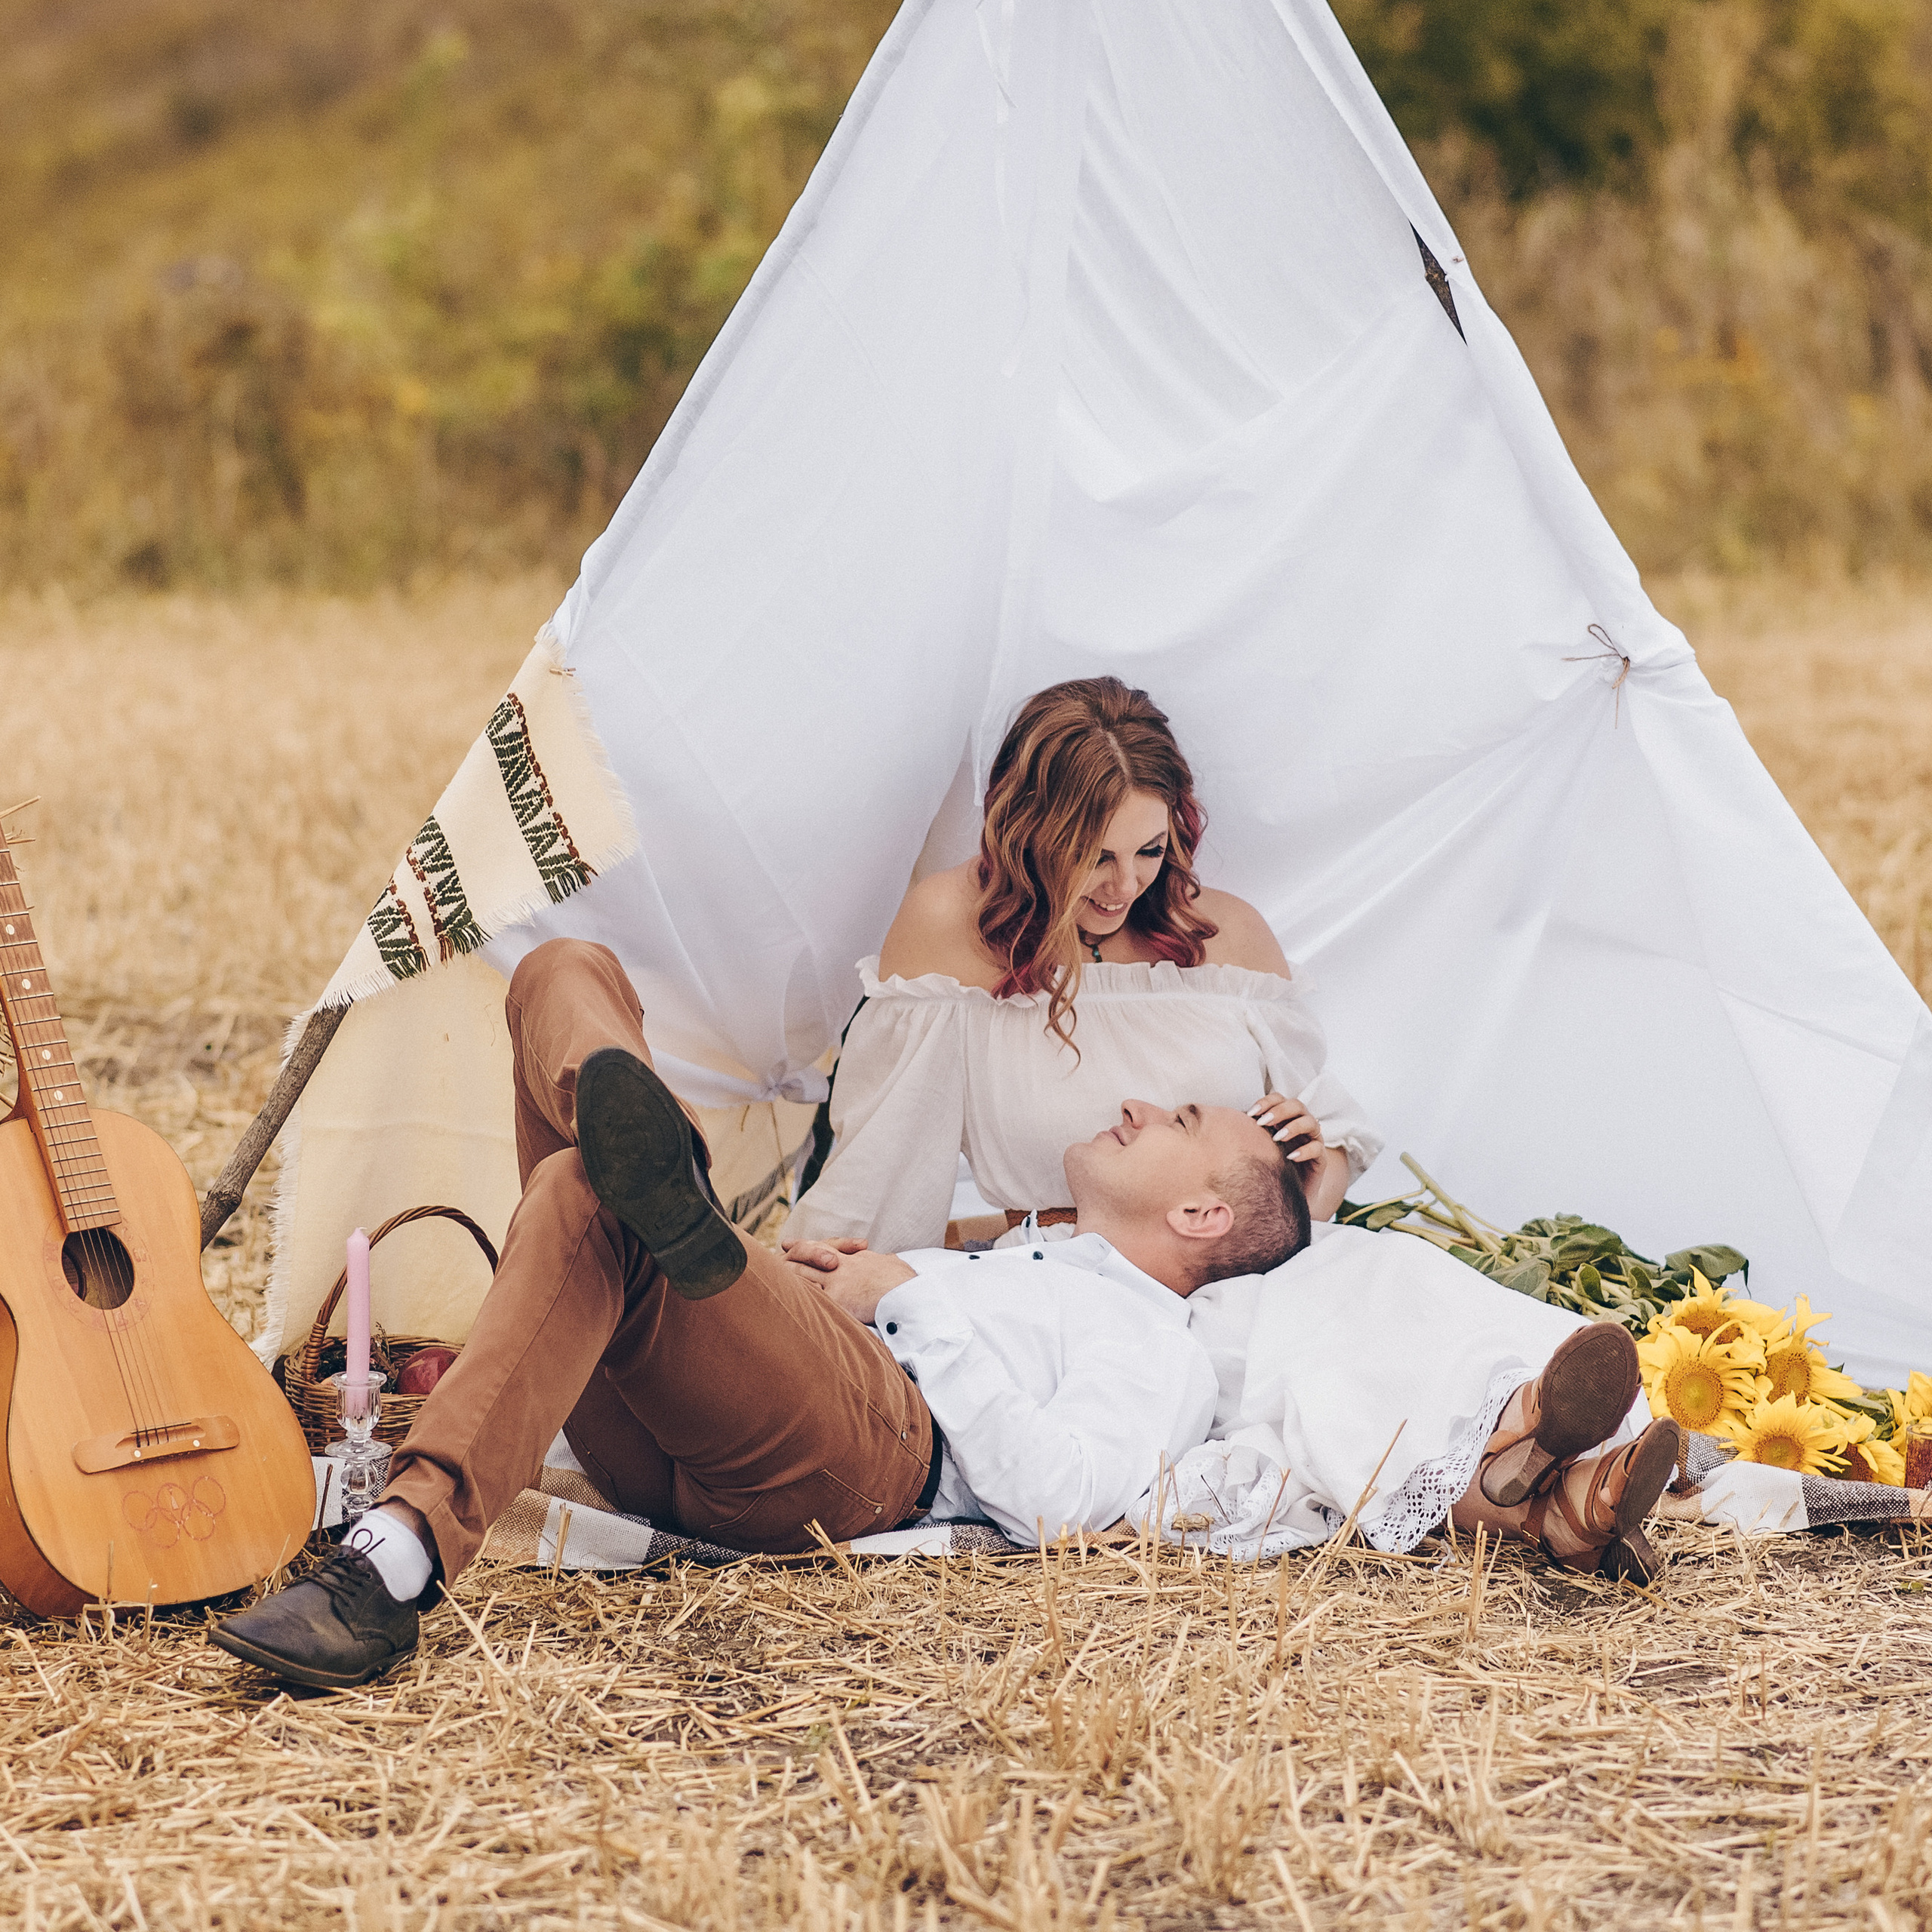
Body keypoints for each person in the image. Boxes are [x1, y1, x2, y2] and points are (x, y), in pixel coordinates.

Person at [208, 940, 1312, 1690]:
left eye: (1175, 1115)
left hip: (873, 1452)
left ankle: (394, 1555)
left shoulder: (1156, 1347)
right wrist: (809, 1284)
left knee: (584, 1192)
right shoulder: (1030, 1254)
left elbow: (1061, 1498)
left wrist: (905, 1302)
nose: (1131, 1106)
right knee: (561, 972)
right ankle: (660, 1188)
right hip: (736, 1423)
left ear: (1205, 1211)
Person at [785, 677, 1383, 1257]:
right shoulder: (950, 930)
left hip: (1238, 1287)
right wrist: (822, 1286)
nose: (1125, 886)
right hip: (1050, 1291)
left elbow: (1312, 1181)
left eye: (1150, 850)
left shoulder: (1231, 939)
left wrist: (1310, 1179)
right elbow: (884, 1161)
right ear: (1026, 831)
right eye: (1093, 857)